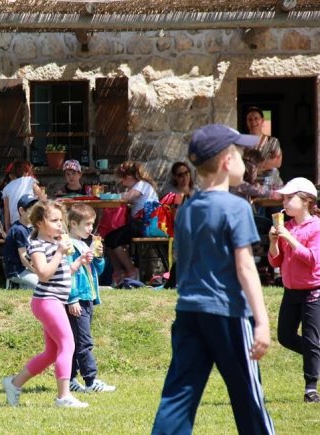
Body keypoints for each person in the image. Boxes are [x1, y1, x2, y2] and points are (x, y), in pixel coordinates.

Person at [152, 124, 274, 434]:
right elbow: (245, 268)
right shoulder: (236, 207)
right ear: (226, 162)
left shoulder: (187, 209)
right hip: (227, 313)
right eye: (240, 155)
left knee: (178, 397)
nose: (245, 162)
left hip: (189, 312)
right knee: (248, 396)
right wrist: (261, 321)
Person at [1, 200, 90, 408]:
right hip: (47, 301)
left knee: (51, 353)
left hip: (54, 301)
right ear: (39, 223)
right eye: (54, 220)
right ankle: (63, 396)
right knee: (68, 344)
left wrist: (78, 262)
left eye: (61, 220)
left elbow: (61, 273)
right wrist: (59, 252)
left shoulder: (54, 243)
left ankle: (14, 384)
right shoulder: (38, 245)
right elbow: (43, 274)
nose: (60, 224)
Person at [267, 177, 320, 403]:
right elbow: (275, 262)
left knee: (311, 339)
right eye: (284, 198)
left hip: (313, 292)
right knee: (285, 337)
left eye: (290, 198)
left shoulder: (316, 227)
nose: (284, 203)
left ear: (306, 201)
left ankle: (311, 388)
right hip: (290, 291)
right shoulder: (286, 227)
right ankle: (316, 355)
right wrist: (273, 241)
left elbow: (312, 259)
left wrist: (289, 238)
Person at [66, 203, 116, 394]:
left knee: (75, 340)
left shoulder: (83, 244)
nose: (90, 228)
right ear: (73, 223)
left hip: (87, 297)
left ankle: (70, 378)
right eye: (86, 224)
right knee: (84, 341)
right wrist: (72, 298)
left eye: (92, 224)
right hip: (77, 299)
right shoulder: (69, 246)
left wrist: (98, 257)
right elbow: (67, 275)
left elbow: (97, 271)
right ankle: (90, 381)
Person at [104, 161, 159, 284]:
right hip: (140, 224)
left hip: (144, 225)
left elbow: (127, 197)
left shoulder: (141, 185)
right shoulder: (141, 186)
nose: (122, 182)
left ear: (129, 176)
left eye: (122, 179)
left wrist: (110, 196)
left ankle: (131, 271)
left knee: (113, 240)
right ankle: (118, 272)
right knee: (108, 239)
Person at [2, 194, 39, 289]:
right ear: (22, 211)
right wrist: (39, 272)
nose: (35, 213)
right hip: (17, 271)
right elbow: (24, 258)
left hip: (26, 268)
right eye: (31, 210)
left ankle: (23, 286)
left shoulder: (30, 228)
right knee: (42, 285)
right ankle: (16, 285)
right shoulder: (19, 230)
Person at [2, 159, 45, 232]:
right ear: (26, 172)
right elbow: (41, 197)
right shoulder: (30, 181)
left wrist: (8, 230)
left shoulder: (7, 188)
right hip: (30, 221)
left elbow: (7, 212)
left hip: (15, 224)